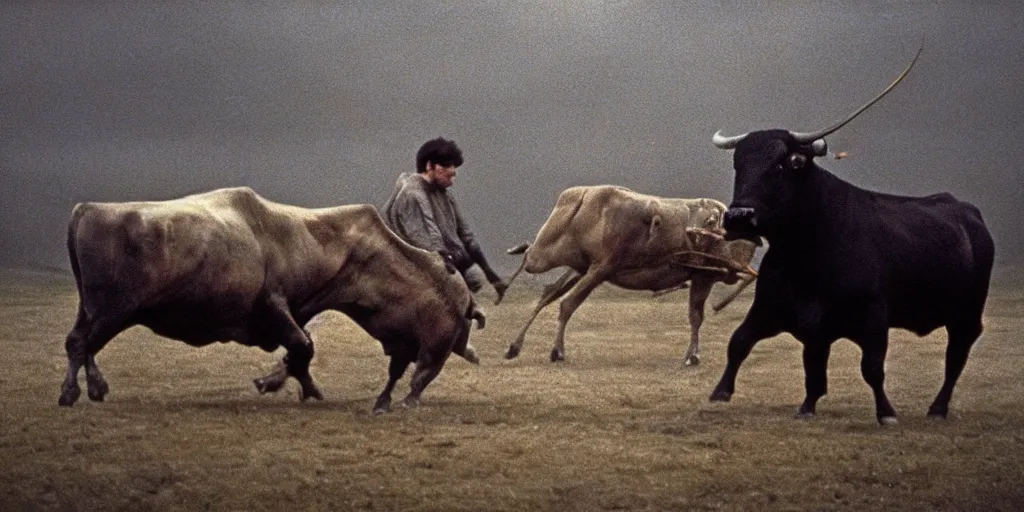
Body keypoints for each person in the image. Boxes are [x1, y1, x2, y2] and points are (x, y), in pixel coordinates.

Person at [383, 137, 508, 301]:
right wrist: (457, 276)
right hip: (414, 275)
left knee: (474, 278)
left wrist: (492, 276)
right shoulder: (412, 195)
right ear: (430, 166)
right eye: (447, 166)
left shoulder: (444, 193)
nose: (452, 175)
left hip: (448, 263)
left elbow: (466, 235)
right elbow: (428, 247)